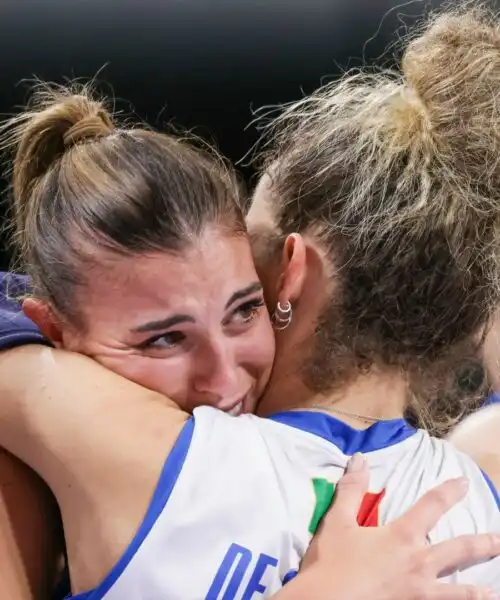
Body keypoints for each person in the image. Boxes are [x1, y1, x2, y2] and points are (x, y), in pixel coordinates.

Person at [0, 3, 499, 599]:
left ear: (288, 272)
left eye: (244, 296)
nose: (220, 378)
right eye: (163, 336)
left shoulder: (127, 443)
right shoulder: (483, 498)